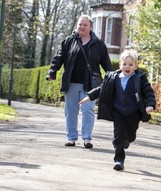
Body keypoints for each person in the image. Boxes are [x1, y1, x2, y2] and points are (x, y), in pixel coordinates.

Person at [79, 49, 156, 171]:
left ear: (136, 66)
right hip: (118, 111)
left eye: (131, 64)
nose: (127, 67)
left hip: (134, 112)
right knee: (118, 135)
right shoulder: (113, 77)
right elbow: (102, 89)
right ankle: (119, 160)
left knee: (131, 135)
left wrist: (150, 104)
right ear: (120, 65)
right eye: (124, 64)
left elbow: (148, 92)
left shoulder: (140, 78)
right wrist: (89, 96)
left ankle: (127, 140)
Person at [46, 14, 113, 148]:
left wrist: (112, 78)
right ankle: (71, 138)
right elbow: (58, 58)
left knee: (88, 110)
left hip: (90, 84)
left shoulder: (98, 44)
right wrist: (52, 72)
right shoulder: (68, 41)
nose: (82, 27)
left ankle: (87, 138)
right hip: (71, 83)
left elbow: (106, 64)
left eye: (85, 25)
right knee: (71, 111)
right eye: (80, 24)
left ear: (91, 27)